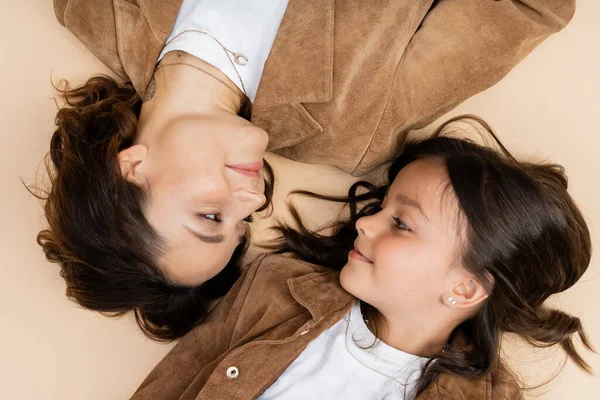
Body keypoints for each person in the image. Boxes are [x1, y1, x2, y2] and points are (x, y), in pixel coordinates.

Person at [40, 0, 577, 340]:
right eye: (240, 224)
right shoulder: (355, 123)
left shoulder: (89, 9)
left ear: (130, 168)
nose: (250, 200)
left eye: (209, 216)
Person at [130, 116, 594, 399]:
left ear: (465, 288)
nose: (367, 223)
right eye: (382, 207)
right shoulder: (278, 286)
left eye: (402, 224)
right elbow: (174, 382)